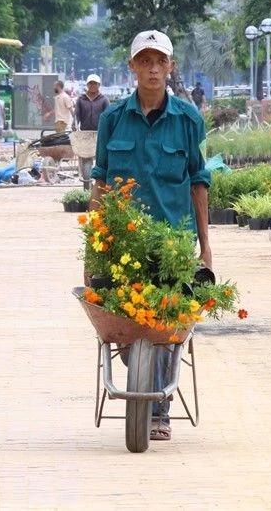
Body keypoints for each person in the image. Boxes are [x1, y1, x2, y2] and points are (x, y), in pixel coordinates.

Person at [90, 29, 212, 443]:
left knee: (162, 325)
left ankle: (158, 407)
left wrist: (205, 248)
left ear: (170, 67)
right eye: (145, 61)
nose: (153, 69)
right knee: (128, 330)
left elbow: (198, 181)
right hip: (124, 244)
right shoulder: (112, 119)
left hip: (173, 244)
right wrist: (95, 246)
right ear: (133, 68)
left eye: (160, 61)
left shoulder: (188, 120)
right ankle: (144, 383)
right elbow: (101, 184)